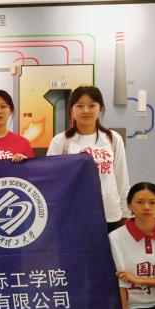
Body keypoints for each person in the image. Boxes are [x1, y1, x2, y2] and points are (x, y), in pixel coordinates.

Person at [47, 85, 130, 231]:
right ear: (72, 109)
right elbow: (50, 180)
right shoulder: (60, 141)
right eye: (80, 106)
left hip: (109, 214)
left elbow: (121, 178)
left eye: (92, 105)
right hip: (73, 214)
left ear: (100, 108)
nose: (86, 110)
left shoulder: (113, 139)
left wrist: (125, 213)